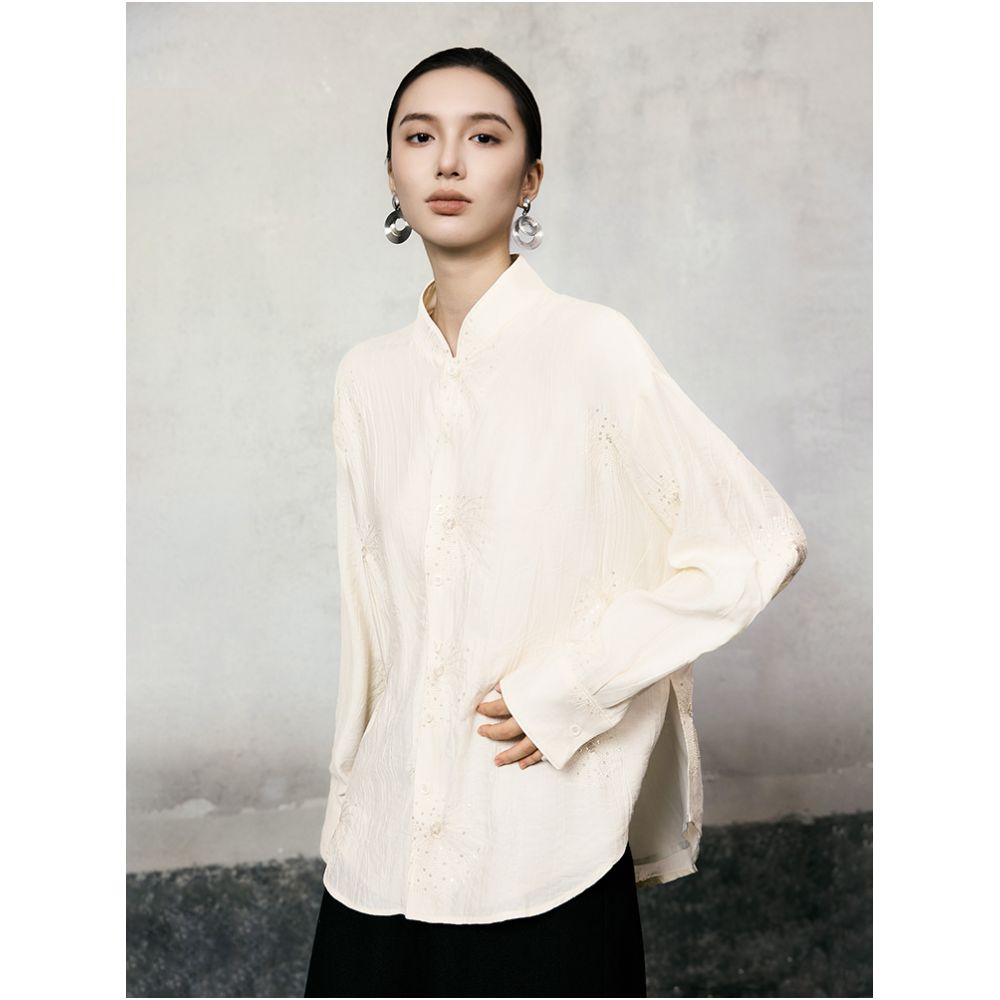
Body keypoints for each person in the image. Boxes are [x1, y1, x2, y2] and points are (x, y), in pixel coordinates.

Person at [304, 46, 807, 998]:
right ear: (392, 172)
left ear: (530, 178)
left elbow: (755, 542)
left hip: (544, 850)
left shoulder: (592, 346)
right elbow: (371, 624)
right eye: (421, 136)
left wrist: (575, 684)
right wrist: (344, 806)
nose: (449, 162)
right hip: (380, 850)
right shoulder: (367, 378)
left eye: (484, 138)